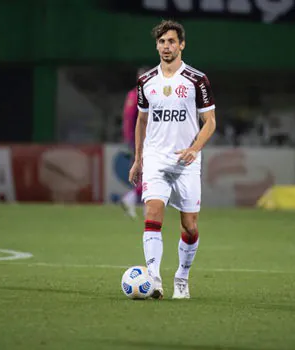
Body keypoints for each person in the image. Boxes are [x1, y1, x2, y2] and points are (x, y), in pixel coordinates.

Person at [128, 19, 216, 300]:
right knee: (153, 213)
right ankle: (153, 279)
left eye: (171, 41)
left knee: (190, 226)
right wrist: (139, 159)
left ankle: (182, 276)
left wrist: (195, 149)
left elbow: (210, 122)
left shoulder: (196, 80)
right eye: (162, 42)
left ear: (182, 45)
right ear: (157, 46)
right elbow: (141, 121)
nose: (167, 46)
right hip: (156, 158)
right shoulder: (146, 81)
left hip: (186, 161)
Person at [121, 67, 149, 219]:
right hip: (140, 141)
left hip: (148, 141)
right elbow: (129, 119)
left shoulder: (149, 95)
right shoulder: (135, 95)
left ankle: (136, 202)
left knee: (147, 174)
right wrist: (130, 141)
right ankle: (131, 199)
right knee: (148, 174)